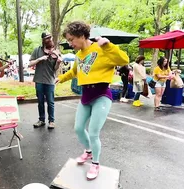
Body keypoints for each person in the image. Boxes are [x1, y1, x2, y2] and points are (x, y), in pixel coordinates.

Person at [56, 21, 129, 180]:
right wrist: (61, 78)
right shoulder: (78, 55)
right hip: (86, 96)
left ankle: (96, 164)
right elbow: (74, 72)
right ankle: (88, 151)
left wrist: (108, 46)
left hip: (101, 96)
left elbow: (124, 60)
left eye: (71, 39)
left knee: (94, 133)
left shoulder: (101, 48)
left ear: (82, 36)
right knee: (78, 128)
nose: (70, 43)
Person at [29, 32, 62, 129]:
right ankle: (41, 120)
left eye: (50, 37)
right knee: (40, 101)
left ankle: (51, 121)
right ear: (43, 40)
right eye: (47, 38)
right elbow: (30, 64)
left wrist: (58, 63)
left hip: (50, 81)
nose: (50, 40)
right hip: (39, 80)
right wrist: (40, 59)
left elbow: (55, 69)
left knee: (50, 102)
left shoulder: (56, 52)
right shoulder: (37, 50)